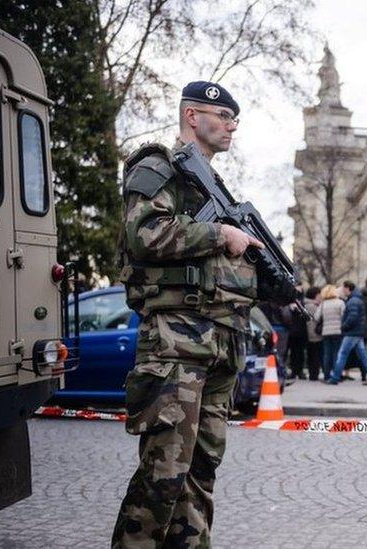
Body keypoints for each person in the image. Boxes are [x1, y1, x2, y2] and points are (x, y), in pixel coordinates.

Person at [113, 81, 266, 547]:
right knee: (162, 479)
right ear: (192, 117)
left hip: (219, 341)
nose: (232, 125)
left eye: (235, 118)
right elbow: (145, 233)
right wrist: (219, 234)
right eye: (223, 116)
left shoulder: (210, 183)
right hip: (176, 343)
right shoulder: (159, 165)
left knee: (200, 477)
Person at [327, 281, 367, 385]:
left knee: (342, 354)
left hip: (352, 332)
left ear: (347, 288)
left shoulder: (353, 301)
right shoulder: (356, 299)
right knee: (364, 355)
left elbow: (352, 317)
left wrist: (343, 326)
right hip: (358, 332)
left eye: (343, 289)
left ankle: (335, 378)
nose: (342, 291)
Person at [315, 284, 345, 381]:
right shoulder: (340, 303)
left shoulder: (323, 304)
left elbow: (316, 317)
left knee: (327, 354)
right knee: (336, 353)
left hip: (326, 332)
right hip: (338, 331)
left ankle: (326, 375)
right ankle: (336, 375)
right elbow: (344, 316)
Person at [303, 287, 323, 381]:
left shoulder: (306, 304)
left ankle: (313, 374)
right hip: (314, 333)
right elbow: (317, 318)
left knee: (312, 354)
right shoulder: (312, 306)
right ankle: (314, 374)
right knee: (315, 355)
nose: (321, 297)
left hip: (309, 332)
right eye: (319, 295)